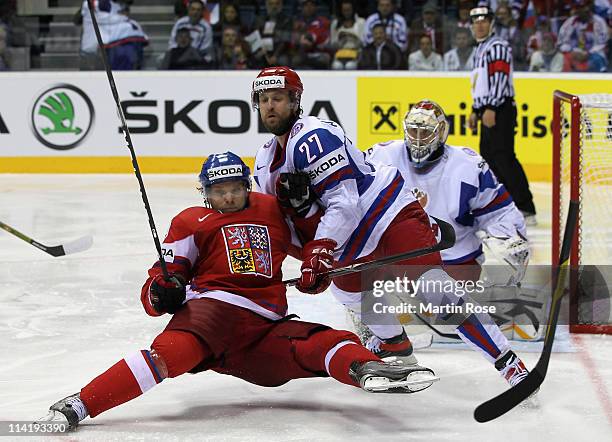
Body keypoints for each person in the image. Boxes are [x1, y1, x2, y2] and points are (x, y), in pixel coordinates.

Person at [39, 152, 437, 430]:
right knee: (168, 357)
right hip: (213, 314)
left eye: (235, 187)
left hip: (265, 327)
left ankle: (367, 368)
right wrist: (162, 292)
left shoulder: (271, 211)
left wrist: (314, 269)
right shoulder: (191, 221)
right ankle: (81, 403)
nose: (228, 196)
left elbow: (315, 245)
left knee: (321, 342)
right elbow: (157, 283)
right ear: (204, 192)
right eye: (218, 189)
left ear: (247, 185)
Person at [250, 67, 531, 390]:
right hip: (347, 241)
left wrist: (319, 251)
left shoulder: (314, 135)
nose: (271, 106)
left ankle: (510, 365)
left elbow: (345, 202)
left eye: (279, 99)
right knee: (350, 294)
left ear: (296, 100)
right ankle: (394, 346)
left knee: (436, 291)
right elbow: (275, 223)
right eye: (265, 99)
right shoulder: (264, 160)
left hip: (385, 215)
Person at [364, 100, 531, 385]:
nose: (418, 139)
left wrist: (508, 238)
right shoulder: (381, 157)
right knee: (358, 269)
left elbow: (500, 211)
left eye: (425, 132)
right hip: (400, 264)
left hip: (456, 265)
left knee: (450, 303)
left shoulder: (466, 165)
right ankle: (382, 338)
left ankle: (501, 353)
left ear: (441, 133)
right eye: (413, 131)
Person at [467, 6, 537, 225]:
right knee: (490, 157)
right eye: (475, 21)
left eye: (484, 21)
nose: (479, 25)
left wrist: (492, 108)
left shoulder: (497, 46)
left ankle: (525, 206)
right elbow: (480, 85)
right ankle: (504, 204)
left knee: (504, 156)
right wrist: (475, 110)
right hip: (488, 108)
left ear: (492, 23)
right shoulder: (479, 49)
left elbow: (499, 78)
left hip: (500, 108)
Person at [168, 0, 214, 67]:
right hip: (178, 54)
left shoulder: (206, 27)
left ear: (202, 12)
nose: (195, 12)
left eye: (198, 10)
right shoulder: (180, 23)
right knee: (162, 59)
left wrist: (190, 55)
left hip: (197, 57)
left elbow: (205, 48)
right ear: (188, 9)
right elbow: (172, 42)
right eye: (193, 9)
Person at [330, 0, 365, 70]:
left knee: (350, 66)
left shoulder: (361, 22)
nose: (347, 13)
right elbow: (332, 45)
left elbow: (364, 43)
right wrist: (339, 40)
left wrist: (352, 36)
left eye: (349, 10)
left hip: (356, 54)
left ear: (353, 10)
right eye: (344, 10)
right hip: (340, 54)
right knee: (337, 66)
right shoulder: (335, 24)